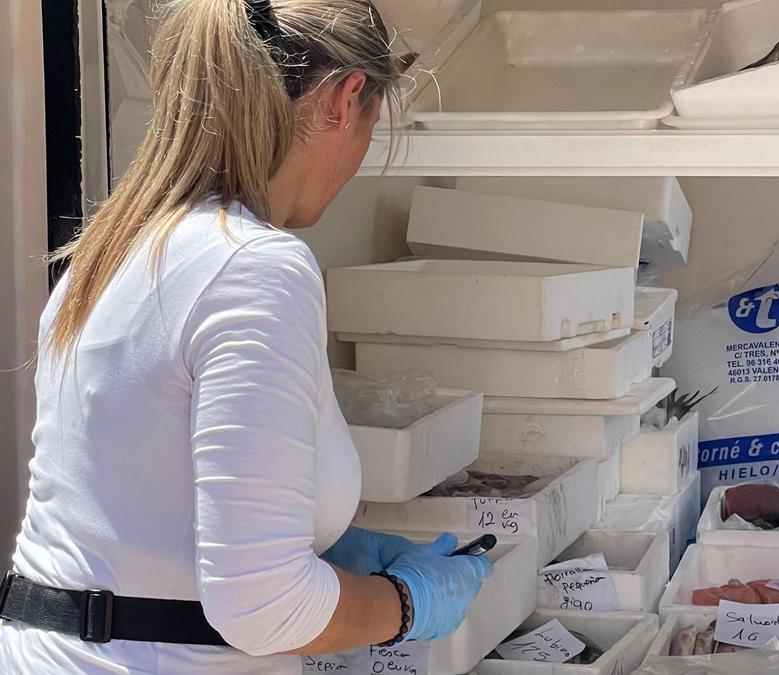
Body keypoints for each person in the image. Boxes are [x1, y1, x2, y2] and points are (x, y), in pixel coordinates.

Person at [0, 0, 492, 672]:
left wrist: (327, 554)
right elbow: (264, 607)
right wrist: (407, 602)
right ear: (347, 100)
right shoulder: (255, 266)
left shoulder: (108, 251)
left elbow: (144, 516)